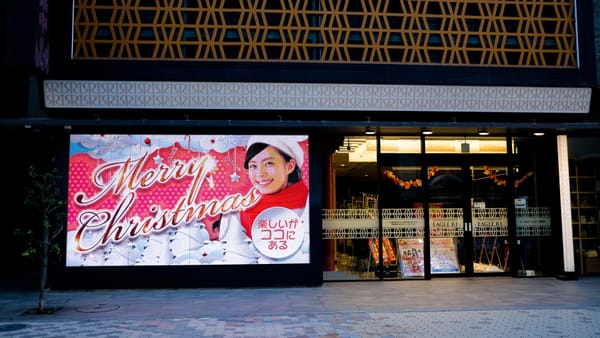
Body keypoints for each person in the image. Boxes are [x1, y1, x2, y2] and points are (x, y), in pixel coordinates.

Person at [216, 135, 310, 264]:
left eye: (269, 163)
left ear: (290, 166)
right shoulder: (240, 210)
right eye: (253, 166)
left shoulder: (308, 204)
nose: (260, 173)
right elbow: (232, 254)